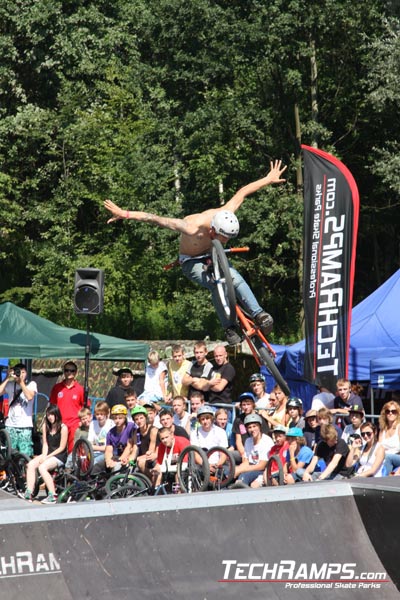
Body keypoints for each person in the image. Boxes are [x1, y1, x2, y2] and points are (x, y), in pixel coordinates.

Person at [104, 160, 286, 345]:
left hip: (214, 256)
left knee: (233, 276)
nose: (225, 241)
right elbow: (155, 219)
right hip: (191, 261)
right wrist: (124, 213)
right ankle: (229, 328)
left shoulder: (226, 211)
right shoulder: (191, 227)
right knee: (215, 284)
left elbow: (243, 192)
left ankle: (260, 314)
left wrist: (268, 179)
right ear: (213, 229)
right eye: (223, 237)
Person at [24, 405, 68, 503]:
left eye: (52, 414)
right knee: (30, 465)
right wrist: (44, 455)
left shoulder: (63, 428)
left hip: (59, 455)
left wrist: (47, 457)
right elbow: (45, 443)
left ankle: (52, 494)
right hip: (48, 452)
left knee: (42, 467)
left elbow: (62, 447)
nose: (50, 417)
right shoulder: (46, 426)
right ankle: (29, 492)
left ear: (57, 414)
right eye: (48, 415)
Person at [0, 363, 37, 456]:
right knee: (10, 453)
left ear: (26, 373)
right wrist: (8, 377)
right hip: (10, 425)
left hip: (25, 425)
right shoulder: (10, 384)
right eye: (18, 372)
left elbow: (29, 397)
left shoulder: (31, 384)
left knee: (25, 453)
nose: (21, 374)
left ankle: (24, 470)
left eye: (23, 372)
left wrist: (21, 382)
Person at [50, 361, 85, 453]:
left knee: (73, 450)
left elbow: (85, 408)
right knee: (57, 449)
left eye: (72, 370)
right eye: (67, 370)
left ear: (76, 372)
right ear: (64, 372)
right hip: (60, 423)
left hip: (74, 424)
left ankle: (71, 467)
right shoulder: (57, 388)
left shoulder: (80, 389)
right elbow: (52, 406)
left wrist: (82, 422)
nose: (69, 373)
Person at [234, 414, 273, 487]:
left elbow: (262, 465)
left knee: (248, 479)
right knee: (233, 474)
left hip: (264, 470)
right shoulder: (248, 441)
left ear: (259, 427)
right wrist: (237, 469)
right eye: (249, 427)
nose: (252, 429)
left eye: (254, 426)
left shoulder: (267, 441)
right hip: (250, 468)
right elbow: (246, 461)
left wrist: (241, 470)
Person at [121, 406, 158, 477]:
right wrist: (129, 459)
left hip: (152, 458)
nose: (139, 421)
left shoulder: (153, 430)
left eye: (141, 418)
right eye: (136, 419)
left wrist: (137, 459)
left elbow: (151, 452)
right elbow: (135, 449)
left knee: (140, 462)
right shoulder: (136, 432)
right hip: (141, 458)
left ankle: (152, 481)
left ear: (145, 418)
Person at [232, 392, 271, 460]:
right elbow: (238, 440)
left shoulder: (260, 418)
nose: (246, 407)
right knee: (228, 455)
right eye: (244, 405)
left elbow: (264, 438)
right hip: (244, 450)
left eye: (248, 404)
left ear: (253, 404)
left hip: (258, 451)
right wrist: (243, 454)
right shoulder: (238, 419)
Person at [104, 404, 137, 472]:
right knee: (99, 465)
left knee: (117, 467)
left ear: (125, 418)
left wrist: (119, 461)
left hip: (129, 456)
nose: (117, 420)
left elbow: (129, 447)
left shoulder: (131, 427)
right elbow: (109, 449)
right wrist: (108, 460)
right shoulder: (110, 433)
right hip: (117, 456)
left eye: (120, 418)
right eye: (115, 418)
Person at [88, 401, 114, 474]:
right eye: (97, 414)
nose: (99, 416)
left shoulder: (111, 424)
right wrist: (98, 447)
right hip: (94, 452)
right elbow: (89, 443)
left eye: (102, 414)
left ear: (106, 414)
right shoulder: (93, 424)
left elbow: (108, 447)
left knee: (94, 463)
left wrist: (94, 447)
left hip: (107, 453)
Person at [378, 400, 400, 475]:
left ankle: (385, 479)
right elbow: (379, 446)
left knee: (388, 457)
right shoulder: (383, 428)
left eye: (393, 411)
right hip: (383, 457)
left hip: (396, 457)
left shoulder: (399, 427)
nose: (390, 413)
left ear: (398, 413)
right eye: (388, 411)